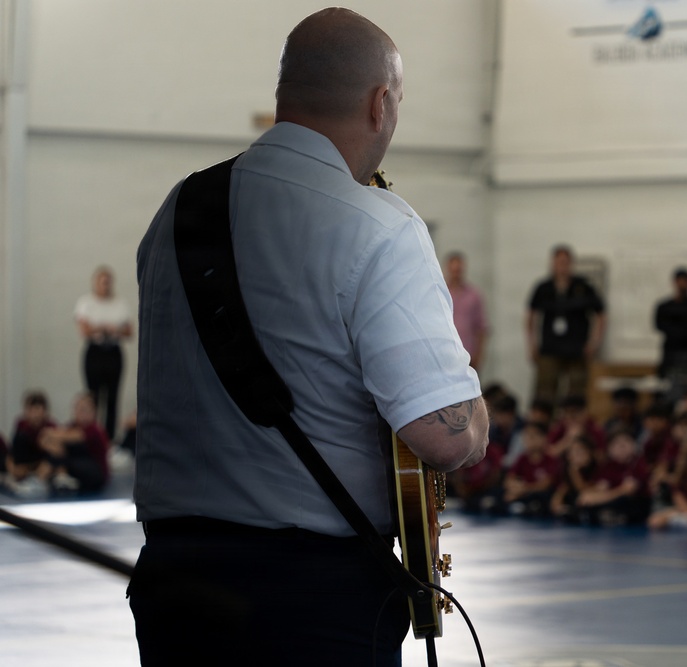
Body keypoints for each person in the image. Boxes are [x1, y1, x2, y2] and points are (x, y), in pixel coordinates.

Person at [129, 9, 489, 666]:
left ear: (285, 95)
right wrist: (476, 418)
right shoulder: (377, 224)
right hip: (309, 599)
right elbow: (441, 433)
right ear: (380, 104)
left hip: (173, 582)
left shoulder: (179, 208)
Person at [525, 245, 606, 404]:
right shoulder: (544, 288)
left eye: (565, 262)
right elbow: (531, 316)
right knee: (545, 393)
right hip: (550, 347)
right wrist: (532, 344)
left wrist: (594, 342)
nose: (562, 266)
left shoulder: (583, 286)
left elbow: (601, 314)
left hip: (576, 348)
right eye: (558, 262)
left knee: (576, 394)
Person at [74, 265, 132, 440]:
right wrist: (107, 328)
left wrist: (106, 328)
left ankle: (109, 440)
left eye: (108, 282)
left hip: (113, 352)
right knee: (93, 398)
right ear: (95, 283)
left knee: (112, 398)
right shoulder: (86, 303)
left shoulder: (120, 303)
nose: (105, 285)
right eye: (102, 282)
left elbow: (129, 331)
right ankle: (92, 436)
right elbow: (84, 330)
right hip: (95, 352)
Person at [36, 392, 110, 495]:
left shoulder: (94, 429)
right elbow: (46, 441)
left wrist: (50, 434)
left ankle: (39, 481)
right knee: (57, 454)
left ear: (93, 412)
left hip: (96, 473)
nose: (80, 413)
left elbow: (69, 436)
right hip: (78, 468)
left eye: (84, 409)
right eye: (77, 409)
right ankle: (56, 478)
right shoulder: (72, 426)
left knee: (60, 456)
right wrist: (53, 447)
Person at [653, 267, 687, 388]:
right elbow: (659, 325)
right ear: (675, 282)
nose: (683, 284)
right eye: (680, 281)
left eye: (685, 281)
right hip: (671, 353)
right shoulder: (664, 306)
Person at [4, 391, 56, 499]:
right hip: (24, 462)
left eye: (38, 409)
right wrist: (12, 467)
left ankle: (36, 481)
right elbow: (13, 450)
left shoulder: (50, 427)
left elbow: (55, 453)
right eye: (31, 410)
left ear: (44, 411)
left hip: (41, 462)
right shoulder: (21, 424)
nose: (35, 414)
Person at [503, 421, 562, 517]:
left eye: (532, 436)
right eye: (526, 436)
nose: (529, 440)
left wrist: (523, 490)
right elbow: (509, 478)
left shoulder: (550, 459)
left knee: (542, 497)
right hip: (523, 492)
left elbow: (545, 484)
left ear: (543, 438)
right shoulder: (522, 458)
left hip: (540, 496)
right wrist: (514, 488)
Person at [444, 251, 489, 370]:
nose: (456, 274)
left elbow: (481, 328)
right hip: (445, 355)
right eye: (453, 270)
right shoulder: (441, 294)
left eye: (458, 270)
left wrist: (479, 355)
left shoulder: (474, 295)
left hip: (468, 355)